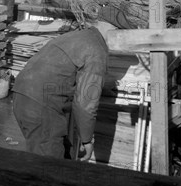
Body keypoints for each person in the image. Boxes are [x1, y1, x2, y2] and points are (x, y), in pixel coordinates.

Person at [12, 18, 116, 161]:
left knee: (51, 154)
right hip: (42, 106)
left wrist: (100, 87)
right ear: (114, 32)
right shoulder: (97, 51)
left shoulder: (79, 36)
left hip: (23, 94)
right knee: (49, 167)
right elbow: (85, 106)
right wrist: (87, 140)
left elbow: (64, 72)